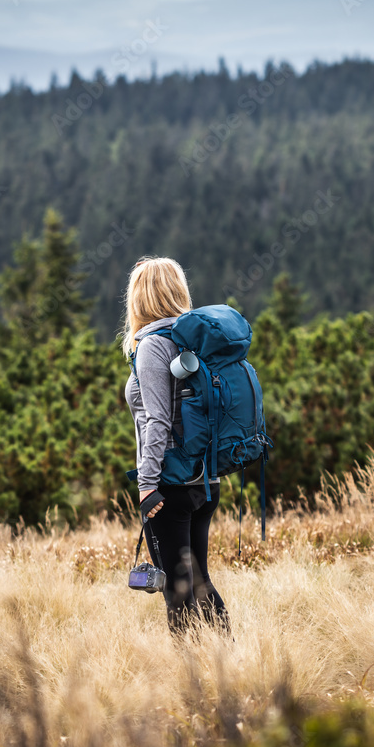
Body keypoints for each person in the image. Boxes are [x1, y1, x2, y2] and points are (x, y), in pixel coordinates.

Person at [122, 256, 231, 637]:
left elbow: (158, 421)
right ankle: (229, 659)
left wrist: (146, 484)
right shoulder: (195, 341)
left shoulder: (153, 346)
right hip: (205, 479)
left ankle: (189, 677)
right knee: (198, 580)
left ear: (140, 298)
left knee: (177, 588)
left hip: (169, 484)